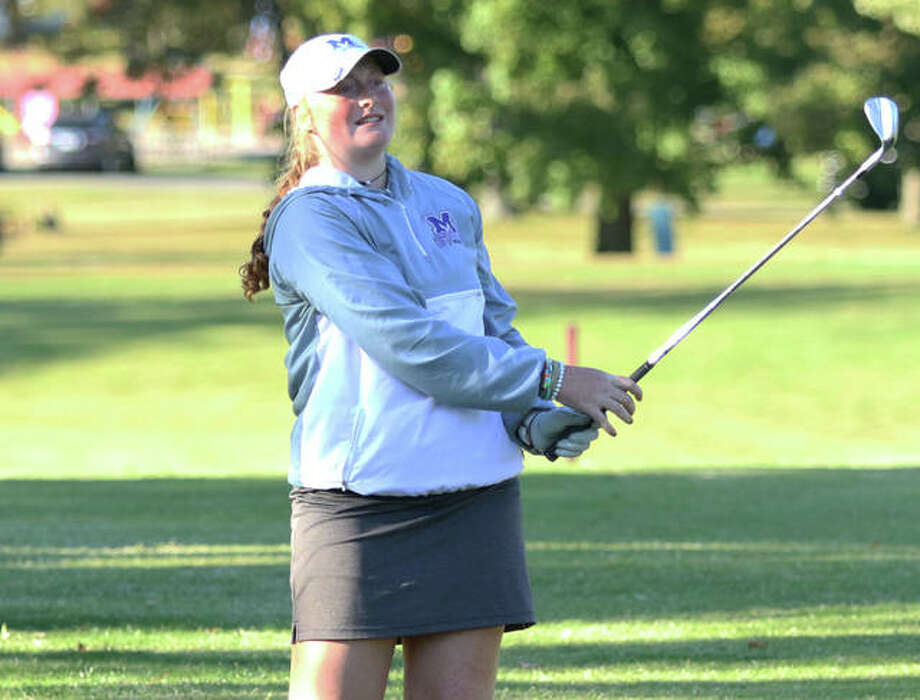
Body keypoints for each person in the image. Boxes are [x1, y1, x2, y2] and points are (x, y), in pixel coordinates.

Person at [240, 33, 643, 700]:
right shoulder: (309, 220)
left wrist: (532, 418)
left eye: (378, 80)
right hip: (356, 505)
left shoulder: (446, 202)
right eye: (345, 88)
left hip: (473, 499)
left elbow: (492, 331)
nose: (369, 96)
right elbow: (411, 346)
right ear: (303, 114)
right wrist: (555, 379)